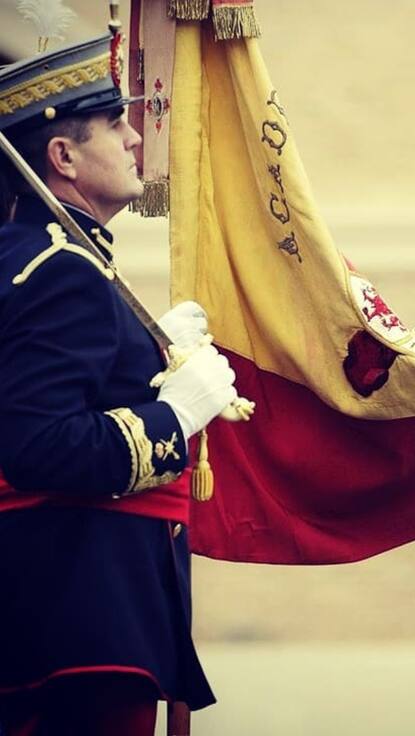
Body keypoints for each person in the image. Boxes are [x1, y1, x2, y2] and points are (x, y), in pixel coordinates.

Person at [0, 33, 238, 735]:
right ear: (62, 157)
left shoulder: (50, 259)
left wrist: (148, 358)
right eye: (114, 124)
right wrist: (174, 416)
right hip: (79, 623)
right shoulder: (60, 271)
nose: (137, 138)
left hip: (68, 620)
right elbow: (38, 444)